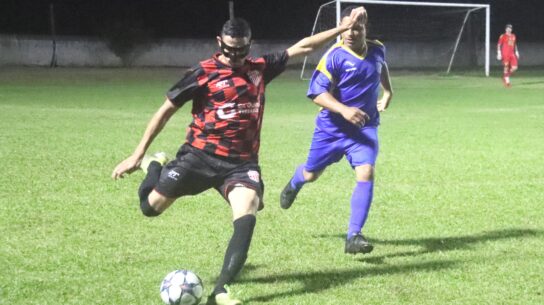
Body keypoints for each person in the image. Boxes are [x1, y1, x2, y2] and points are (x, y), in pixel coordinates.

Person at [111, 8, 366, 305]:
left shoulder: (259, 67)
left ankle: (220, 290)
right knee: (150, 208)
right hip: (198, 157)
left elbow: (304, 47)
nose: (235, 56)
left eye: (241, 49)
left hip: (241, 164)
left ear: (249, 44)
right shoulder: (202, 73)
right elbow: (165, 110)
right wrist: (137, 154)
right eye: (229, 50)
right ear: (219, 42)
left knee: (247, 213)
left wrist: (341, 28)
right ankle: (154, 164)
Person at [279, 6, 393, 255]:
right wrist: (344, 110)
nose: (350, 33)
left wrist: (388, 91)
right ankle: (296, 182)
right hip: (331, 129)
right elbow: (316, 93)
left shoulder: (377, 49)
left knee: (366, 172)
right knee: (312, 174)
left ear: (365, 29)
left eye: (356, 28)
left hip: (365, 128)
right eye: (345, 29)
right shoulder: (333, 56)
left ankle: (354, 236)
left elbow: (380, 66)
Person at [497, 24, 520, 88]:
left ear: (511, 29)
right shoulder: (503, 36)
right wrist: (499, 53)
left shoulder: (513, 36)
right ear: (505, 29)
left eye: (510, 28)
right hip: (505, 54)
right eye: (508, 28)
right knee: (506, 67)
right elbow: (499, 44)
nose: (509, 29)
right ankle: (507, 82)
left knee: (515, 67)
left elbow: (515, 44)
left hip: (512, 54)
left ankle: (505, 76)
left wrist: (516, 51)